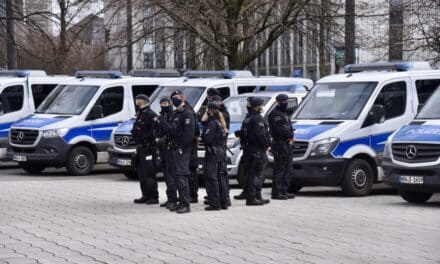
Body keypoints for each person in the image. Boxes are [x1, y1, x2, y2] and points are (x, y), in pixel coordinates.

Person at [156, 90, 195, 214]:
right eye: (173, 98)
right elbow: (171, 131)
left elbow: (189, 135)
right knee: (177, 176)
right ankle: (180, 202)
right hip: (174, 148)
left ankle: (186, 204)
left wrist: (181, 147)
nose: (175, 99)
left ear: (182, 97)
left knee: (182, 176)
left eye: (177, 97)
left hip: (182, 149)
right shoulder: (176, 114)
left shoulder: (187, 113)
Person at [236, 97, 271, 206]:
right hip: (257, 150)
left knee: (253, 174)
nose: (262, 107)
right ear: (257, 106)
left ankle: (257, 196)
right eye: (261, 105)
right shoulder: (257, 118)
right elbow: (260, 135)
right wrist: (267, 145)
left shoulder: (248, 118)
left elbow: (243, 133)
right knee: (256, 174)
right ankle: (252, 198)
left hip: (248, 150)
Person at [132, 94, 159, 205]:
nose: (136, 101)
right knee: (142, 173)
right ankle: (145, 195)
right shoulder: (140, 114)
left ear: (143, 101)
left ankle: (153, 197)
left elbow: (155, 131)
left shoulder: (150, 114)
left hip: (148, 148)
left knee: (149, 173)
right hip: (140, 148)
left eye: (138, 99)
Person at [202, 101, 229, 210]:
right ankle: (223, 202)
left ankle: (215, 203)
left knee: (211, 178)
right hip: (220, 152)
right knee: (219, 177)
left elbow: (207, 139)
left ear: (209, 110)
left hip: (213, 153)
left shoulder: (212, 123)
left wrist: (203, 136)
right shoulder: (219, 122)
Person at [268, 94, 295, 200]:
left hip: (287, 143)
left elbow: (289, 127)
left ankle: (284, 190)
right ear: (278, 102)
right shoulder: (275, 114)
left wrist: (291, 134)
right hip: (279, 144)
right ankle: (276, 192)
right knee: (280, 168)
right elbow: (281, 129)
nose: (285, 103)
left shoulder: (284, 113)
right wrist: (290, 135)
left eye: (286, 101)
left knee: (288, 168)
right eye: (283, 101)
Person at [155, 97, 178, 209]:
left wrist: (162, 121)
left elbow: (171, 130)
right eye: (161, 103)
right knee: (166, 174)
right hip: (162, 148)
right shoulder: (162, 116)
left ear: (169, 104)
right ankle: (170, 198)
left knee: (171, 175)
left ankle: (173, 200)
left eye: (165, 103)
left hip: (170, 149)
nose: (163, 106)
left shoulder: (173, 115)